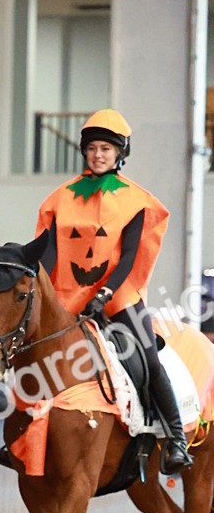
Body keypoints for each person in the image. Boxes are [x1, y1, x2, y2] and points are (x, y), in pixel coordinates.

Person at [36, 108, 191, 474]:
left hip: (119, 297)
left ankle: (175, 439)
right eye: (92, 148)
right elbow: (49, 252)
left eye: (106, 148)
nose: (98, 154)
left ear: (120, 153)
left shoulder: (137, 200)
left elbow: (130, 256)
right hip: (68, 297)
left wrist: (105, 294)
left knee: (149, 359)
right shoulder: (60, 199)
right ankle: (23, 435)